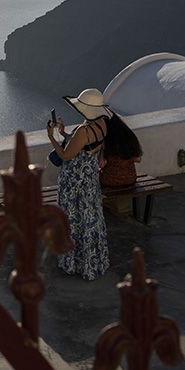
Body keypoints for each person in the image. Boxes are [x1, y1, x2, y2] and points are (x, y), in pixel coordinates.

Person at [46, 88, 110, 280]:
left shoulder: (84, 130)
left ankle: (72, 262)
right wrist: (65, 133)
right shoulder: (102, 126)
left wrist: (51, 137)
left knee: (72, 221)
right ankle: (94, 261)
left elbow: (65, 155)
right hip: (90, 183)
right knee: (90, 221)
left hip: (73, 184)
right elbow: (93, 154)